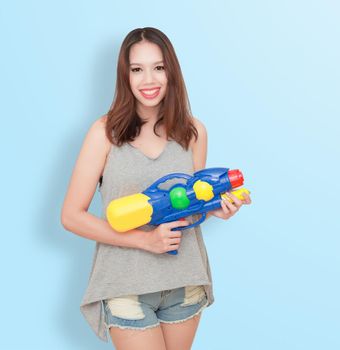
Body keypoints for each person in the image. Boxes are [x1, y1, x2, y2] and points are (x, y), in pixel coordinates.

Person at [61, 27, 251, 350]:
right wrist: (145, 240)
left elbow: (187, 206)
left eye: (158, 68)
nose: (149, 80)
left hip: (184, 281)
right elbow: (71, 216)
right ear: (126, 76)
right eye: (137, 69)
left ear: (171, 72)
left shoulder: (194, 132)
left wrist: (213, 209)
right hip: (125, 284)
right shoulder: (104, 133)